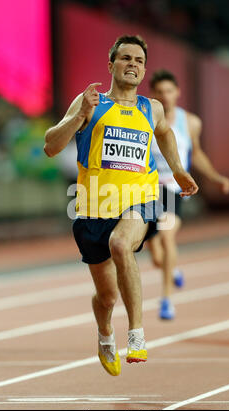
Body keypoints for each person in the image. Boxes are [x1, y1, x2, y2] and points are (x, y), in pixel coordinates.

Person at [44, 36, 198, 377]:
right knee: (107, 297)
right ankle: (105, 333)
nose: (133, 64)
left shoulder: (151, 107)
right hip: (93, 209)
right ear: (111, 64)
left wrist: (178, 170)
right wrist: (78, 116)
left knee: (120, 244)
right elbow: (51, 147)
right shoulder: (90, 104)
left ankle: (137, 336)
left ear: (143, 69)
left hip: (139, 200)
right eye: (125, 58)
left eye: (139, 60)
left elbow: (165, 133)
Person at [148, 69, 229, 320]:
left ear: (177, 92)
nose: (165, 96)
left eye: (169, 91)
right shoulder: (145, 119)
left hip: (175, 190)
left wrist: (216, 177)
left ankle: (166, 301)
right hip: (147, 190)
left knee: (166, 236)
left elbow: (196, 154)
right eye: (160, 92)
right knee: (155, 255)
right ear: (153, 95)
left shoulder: (190, 123)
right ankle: (171, 270)